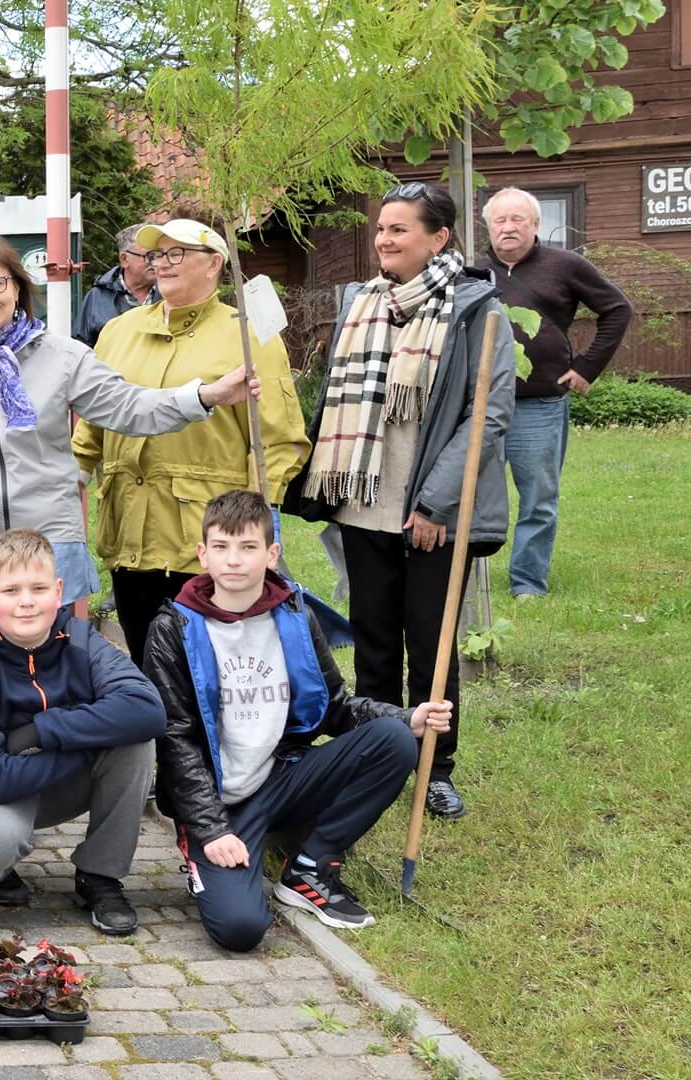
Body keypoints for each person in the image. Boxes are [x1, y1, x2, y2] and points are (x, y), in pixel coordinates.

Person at [286, 182, 514, 821]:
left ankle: (434, 768)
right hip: (366, 503)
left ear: (438, 238)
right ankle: (375, 756)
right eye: (381, 229)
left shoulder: (478, 312)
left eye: (399, 229)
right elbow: (337, 400)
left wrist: (437, 505)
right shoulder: (363, 304)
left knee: (431, 644)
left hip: (433, 512)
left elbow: (485, 419)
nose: (383, 239)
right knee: (376, 642)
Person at [0, 236, 259, 633]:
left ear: (18, 286)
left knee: (45, 671)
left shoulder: (64, 357)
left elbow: (128, 406)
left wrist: (203, 396)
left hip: (47, 539)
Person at [146, 490, 451, 948]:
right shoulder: (175, 629)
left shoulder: (294, 616)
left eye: (248, 547)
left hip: (282, 777)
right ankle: (210, 854)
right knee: (241, 929)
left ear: (271, 554)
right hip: (221, 802)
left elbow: (335, 706)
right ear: (202, 554)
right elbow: (175, 741)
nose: (234, 561)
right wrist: (209, 829)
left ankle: (311, 866)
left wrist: (407, 717)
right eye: (222, 548)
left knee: (393, 740)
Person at [74, 219, 311, 666]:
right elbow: (91, 427)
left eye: (176, 254)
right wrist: (71, 478)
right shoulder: (118, 332)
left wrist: (247, 527)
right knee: (148, 669)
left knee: (213, 672)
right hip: (130, 535)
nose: (161, 264)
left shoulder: (247, 334)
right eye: (156, 255)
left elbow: (281, 441)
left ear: (215, 263)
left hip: (207, 542)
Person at [0, 529, 164, 935]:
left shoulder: (81, 640)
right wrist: (90, 741)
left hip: (53, 774)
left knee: (135, 744)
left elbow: (148, 709)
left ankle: (100, 876)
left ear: (58, 591)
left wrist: (43, 730)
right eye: (11, 590)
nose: (26, 601)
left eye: (38, 588)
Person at [480, 187, 632, 599]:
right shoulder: (472, 274)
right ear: (488, 227)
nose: (508, 227)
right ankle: (468, 581)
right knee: (472, 495)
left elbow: (618, 310)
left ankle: (527, 583)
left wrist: (586, 368)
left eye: (518, 220)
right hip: (479, 405)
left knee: (538, 499)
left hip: (539, 404)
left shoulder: (565, 265)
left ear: (535, 225)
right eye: (500, 220)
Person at [71, 224, 160, 347]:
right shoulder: (97, 298)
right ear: (124, 259)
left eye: (158, 255)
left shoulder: (171, 294)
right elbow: (81, 348)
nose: (155, 262)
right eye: (149, 256)